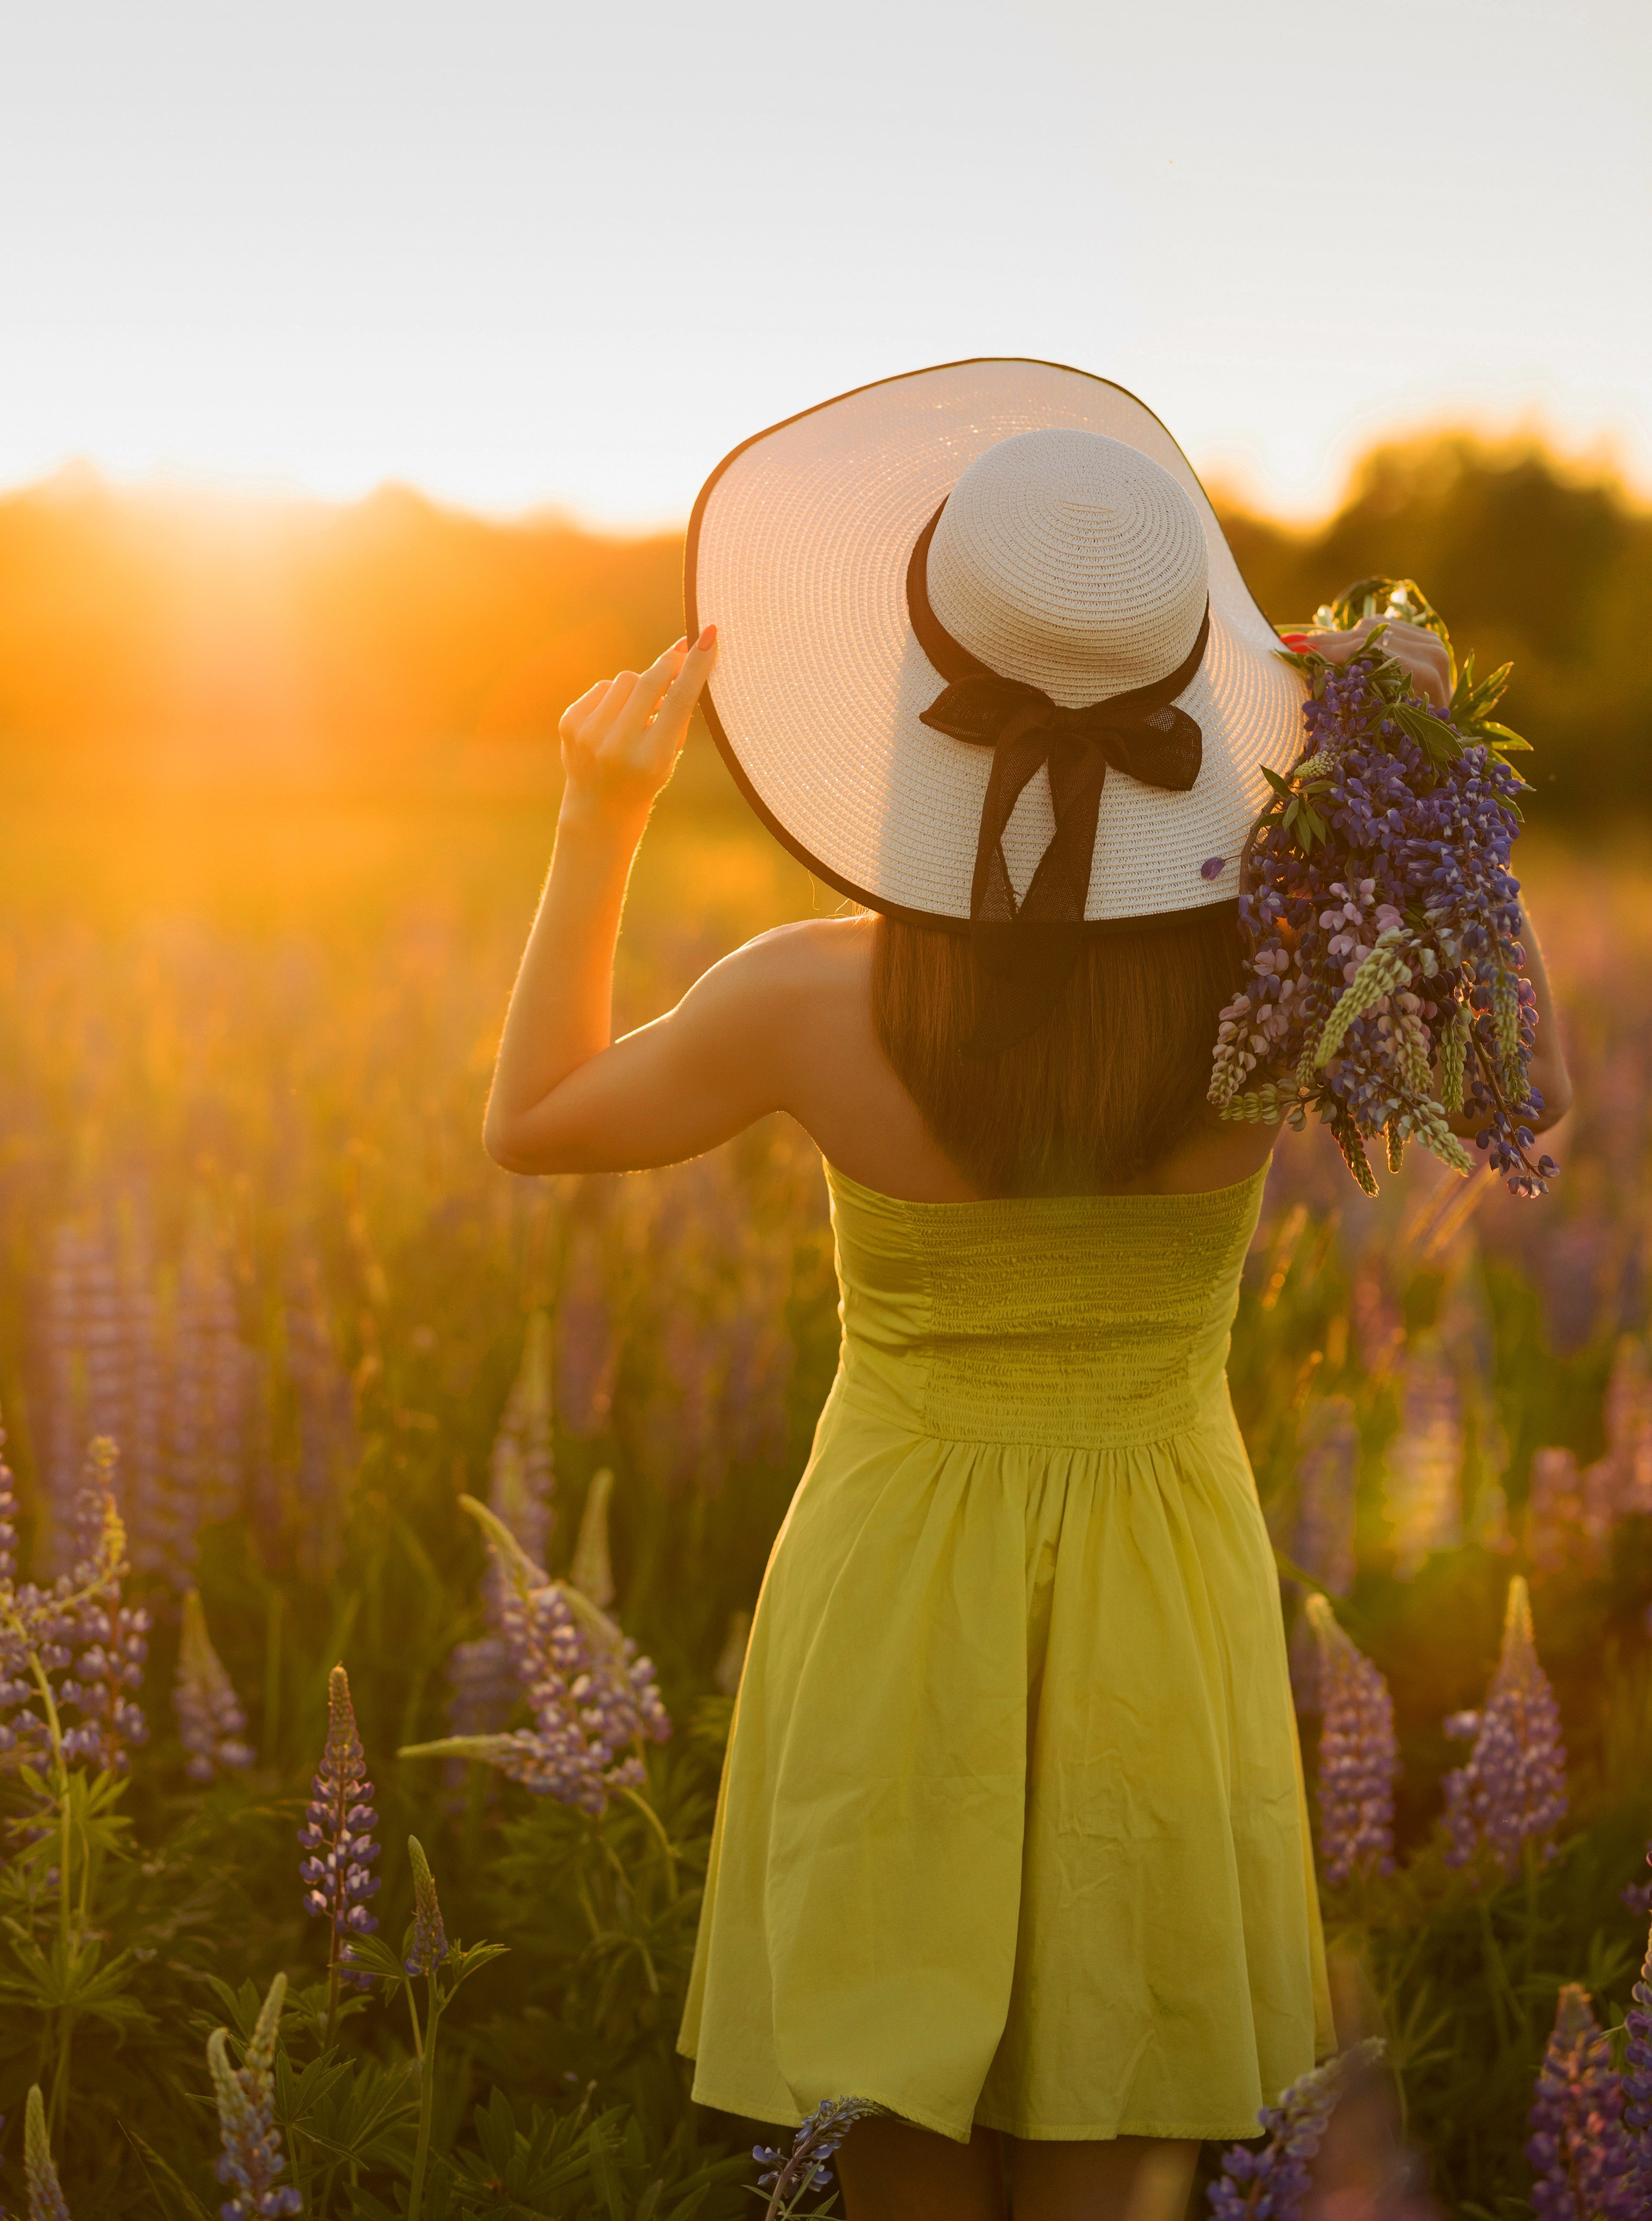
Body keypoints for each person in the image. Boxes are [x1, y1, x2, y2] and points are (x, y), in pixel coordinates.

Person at [483, 363, 1571, 2221]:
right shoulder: (1277, 982)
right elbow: (1520, 1103)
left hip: (896, 1585)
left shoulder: (806, 997)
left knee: (894, 2133)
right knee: (1120, 2137)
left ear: (916, 706)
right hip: (1164, 1585)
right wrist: (1427, 777)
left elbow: (540, 1119)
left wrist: (601, 818)